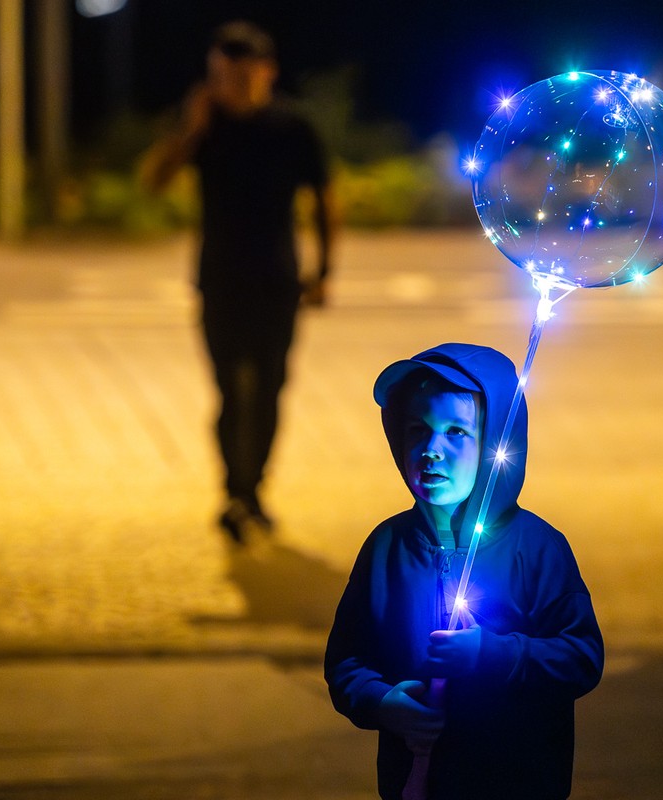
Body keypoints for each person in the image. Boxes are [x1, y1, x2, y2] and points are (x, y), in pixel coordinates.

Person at [325, 343, 603, 800]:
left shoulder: (536, 547)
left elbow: (581, 657)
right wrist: (382, 701)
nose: (431, 450)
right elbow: (346, 660)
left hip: (517, 784)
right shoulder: (387, 546)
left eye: (456, 432)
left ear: (494, 443)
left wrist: (491, 655)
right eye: (417, 429)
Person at [141, 20, 334, 544]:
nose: (230, 86)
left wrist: (324, 272)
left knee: (270, 389)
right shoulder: (207, 126)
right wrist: (191, 130)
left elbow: (323, 198)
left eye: (241, 75)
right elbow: (154, 182)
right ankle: (233, 491)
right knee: (229, 390)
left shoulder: (292, 127)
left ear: (266, 73)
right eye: (221, 76)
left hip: (277, 281)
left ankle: (254, 490)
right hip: (219, 281)